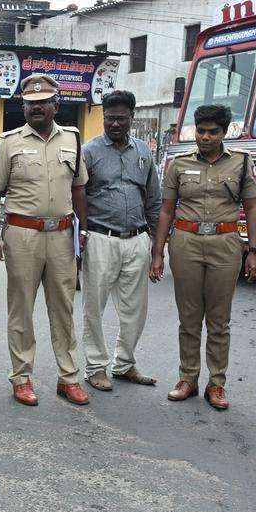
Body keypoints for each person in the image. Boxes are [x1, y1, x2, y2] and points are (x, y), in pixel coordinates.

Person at [0, 74, 90, 407]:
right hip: (22, 235)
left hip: (61, 235)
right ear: (24, 106)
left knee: (63, 310)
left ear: (56, 105)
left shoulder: (72, 139)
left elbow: (79, 189)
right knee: (21, 311)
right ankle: (22, 378)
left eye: (43, 102)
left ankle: (68, 378)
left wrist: (82, 232)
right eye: (30, 103)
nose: (37, 108)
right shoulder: (8, 142)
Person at [150, 104, 256, 410]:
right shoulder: (179, 164)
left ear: (225, 133)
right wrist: (158, 253)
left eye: (213, 132)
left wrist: (253, 251)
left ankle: (217, 383)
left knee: (218, 320)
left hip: (225, 243)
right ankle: (187, 378)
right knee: (188, 318)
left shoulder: (240, 163)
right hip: (185, 242)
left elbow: (252, 207)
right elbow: (166, 211)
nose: (206, 137)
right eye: (201, 131)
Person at [80, 89, 161, 392]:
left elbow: (153, 200)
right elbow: (78, 197)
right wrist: (81, 237)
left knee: (135, 309)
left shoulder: (143, 152)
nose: (115, 124)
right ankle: (96, 367)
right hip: (101, 239)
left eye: (121, 119)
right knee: (94, 309)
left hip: (137, 239)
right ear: (103, 117)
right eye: (110, 118)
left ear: (131, 118)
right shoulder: (88, 152)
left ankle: (124, 363)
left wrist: (156, 247)